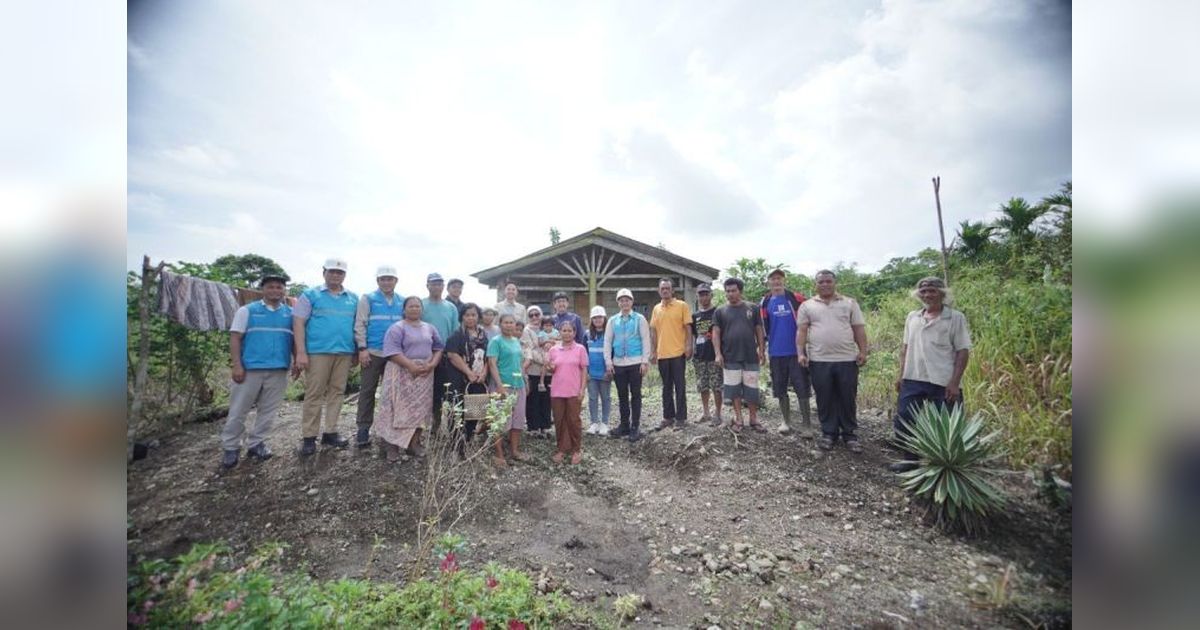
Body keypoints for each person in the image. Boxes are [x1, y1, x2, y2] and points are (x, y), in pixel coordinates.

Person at [890, 276, 972, 473]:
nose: (927, 295)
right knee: (905, 420)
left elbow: (962, 351)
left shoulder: (955, 318)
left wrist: (955, 383)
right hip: (913, 377)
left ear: (942, 293)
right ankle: (911, 461)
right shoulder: (913, 317)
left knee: (946, 426)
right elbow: (905, 348)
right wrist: (901, 375)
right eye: (923, 291)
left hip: (943, 380)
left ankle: (944, 468)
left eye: (932, 291)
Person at [220, 272, 293, 468]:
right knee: (238, 410)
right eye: (271, 287)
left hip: (278, 369)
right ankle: (231, 447)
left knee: (268, 411)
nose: (275, 290)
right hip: (249, 369)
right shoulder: (247, 311)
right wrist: (237, 365)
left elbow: (294, 341)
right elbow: (235, 338)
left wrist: (296, 363)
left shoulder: (290, 314)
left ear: (284, 290)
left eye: (279, 287)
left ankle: (256, 443)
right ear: (263, 289)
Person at [797, 270, 868, 452]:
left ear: (835, 283)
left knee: (847, 397)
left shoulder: (849, 303)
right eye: (821, 282)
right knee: (824, 397)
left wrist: (863, 351)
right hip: (819, 359)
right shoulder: (807, 305)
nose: (825, 285)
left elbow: (858, 329)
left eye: (828, 281)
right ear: (816, 284)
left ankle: (850, 435)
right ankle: (829, 433)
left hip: (847, 358)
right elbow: (802, 331)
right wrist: (800, 353)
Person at [293, 258, 358, 455]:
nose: (336, 275)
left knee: (337, 392)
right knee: (314, 393)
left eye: (340, 272)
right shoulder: (310, 295)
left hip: (344, 352)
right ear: (324, 273)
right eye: (332, 272)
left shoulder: (353, 298)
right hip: (317, 352)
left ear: (344, 275)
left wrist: (356, 351)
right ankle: (309, 437)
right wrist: (301, 352)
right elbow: (298, 323)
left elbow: (356, 326)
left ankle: (330, 432)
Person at [375, 296, 444, 462]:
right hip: (401, 372)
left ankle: (413, 444)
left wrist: (432, 364)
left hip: (424, 375)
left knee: (419, 410)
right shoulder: (397, 328)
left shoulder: (429, 328)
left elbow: (438, 348)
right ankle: (391, 446)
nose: (414, 309)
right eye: (411, 306)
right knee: (396, 409)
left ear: (422, 309)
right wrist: (410, 365)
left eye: (417, 306)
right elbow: (391, 351)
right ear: (404, 309)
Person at [352, 266, 404, 448]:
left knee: (394, 393)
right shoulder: (368, 299)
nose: (386, 282)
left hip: (395, 354)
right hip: (373, 352)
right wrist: (362, 348)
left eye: (390, 279)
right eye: (383, 279)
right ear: (378, 281)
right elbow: (360, 324)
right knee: (367, 391)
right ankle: (363, 428)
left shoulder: (402, 301)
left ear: (396, 281)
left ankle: (390, 430)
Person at [760, 268, 813, 436]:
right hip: (776, 352)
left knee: (802, 386)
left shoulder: (796, 299)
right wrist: (762, 349)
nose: (776, 281)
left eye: (779, 278)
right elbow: (762, 327)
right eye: (773, 279)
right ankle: (786, 421)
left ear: (784, 280)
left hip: (797, 351)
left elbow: (811, 317)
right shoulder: (765, 302)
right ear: (768, 282)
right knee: (780, 387)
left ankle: (807, 424)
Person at [712, 278, 766, 433]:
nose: (730, 294)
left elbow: (759, 329)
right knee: (734, 390)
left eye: (733, 290)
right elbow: (716, 333)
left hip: (750, 355)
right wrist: (718, 354)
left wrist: (762, 350)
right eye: (728, 291)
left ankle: (753, 419)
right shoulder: (720, 311)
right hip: (730, 356)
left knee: (752, 388)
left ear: (740, 291)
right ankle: (739, 419)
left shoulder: (753, 308)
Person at [605, 288, 652, 441]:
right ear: (618, 303)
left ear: (632, 302)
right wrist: (608, 362)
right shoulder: (613, 321)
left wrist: (645, 361)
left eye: (627, 300)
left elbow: (645, 340)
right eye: (621, 300)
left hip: (636, 362)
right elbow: (608, 342)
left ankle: (635, 426)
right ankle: (624, 425)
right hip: (618, 363)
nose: (624, 303)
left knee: (636, 394)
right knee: (622, 395)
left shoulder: (639, 319)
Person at [445, 303, 491, 453]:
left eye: (473, 315)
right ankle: (456, 445)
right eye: (467, 315)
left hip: (479, 379)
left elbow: (488, 356)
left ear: (478, 316)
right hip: (460, 379)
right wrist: (469, 373)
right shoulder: (457, 335)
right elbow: (452, 355)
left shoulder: (483, 335)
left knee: (475, 411)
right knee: (458, 411)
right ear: (462, 317)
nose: (470, 318)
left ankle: (469, 440)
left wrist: (484, 372)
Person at [649, 278, 693, 431]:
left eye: (668, 288)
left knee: (680, 386)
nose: (665, 291)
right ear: (659, 291)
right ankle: (668, 417)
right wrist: (653, 351)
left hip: (678, 353)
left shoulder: (682, 306)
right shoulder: (656, 309)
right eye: (662, 288)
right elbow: (653, 331)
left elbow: (688, 328)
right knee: (666, 387)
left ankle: (681, 418)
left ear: (672, 290)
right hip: (662, 354)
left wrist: (689, 346)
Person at [487, 314, 530, 467]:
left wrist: (524, 381)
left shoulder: (516, 341)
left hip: (518, 385)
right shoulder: (495, 341)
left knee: (518, 419)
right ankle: (498, 454)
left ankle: (514, 451)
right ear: (500, 324)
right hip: (502, 385)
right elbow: (492, 364)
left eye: (511, 322)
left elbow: (518, 363)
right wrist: (499, 385)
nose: (509, 325)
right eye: (506, 322)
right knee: (499, 420)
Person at [421, 272, 460, 435]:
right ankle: (432, 425)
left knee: (448, 392)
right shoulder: (421, 305)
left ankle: (451, 427)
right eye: (433, 284)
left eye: (439, 284)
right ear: (427, 286)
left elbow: (455, 332)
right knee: (429, 392)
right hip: (425, 355)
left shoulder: (451, 307)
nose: (437, 287)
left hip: (445, 356)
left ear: (443, 287)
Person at [548, 320, 589, 464]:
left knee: (574, 420)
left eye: (570, 331)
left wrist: (582, 389)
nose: (567, 333)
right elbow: (551, 369)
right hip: (557, 391)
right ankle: (561, 449)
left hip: (574, 391)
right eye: (564, 330)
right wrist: (550, 368)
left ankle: (576, 449)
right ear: (560, 332)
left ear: (574, 333)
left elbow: (584, 370)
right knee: (559, 421)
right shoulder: (553, 350)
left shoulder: (580, 349)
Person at [691, 283, 723, 428]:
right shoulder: (695, 316)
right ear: (697, 297)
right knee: (703, 386)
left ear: (711, 295)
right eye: (701, 295)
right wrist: (692, 351)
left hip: (714, 355)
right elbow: (693, 336)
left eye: (706, 294)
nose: (703, 297)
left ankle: (717, 413)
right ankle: (706, 413)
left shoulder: (718, 312)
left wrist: (720, 354)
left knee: (716, 386)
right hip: (700, 356)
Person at [521, 306, 553, 438]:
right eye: (531, 315)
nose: (534, 317)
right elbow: (528, 349)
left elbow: (554, 344)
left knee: (546, 399)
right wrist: (545, 360)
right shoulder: (526, 331)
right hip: (533, 370)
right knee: (533, 400)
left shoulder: (547, 329)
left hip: (548, 371)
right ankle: (533, 427)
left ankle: (545, 426)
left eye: (537, 314)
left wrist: (550, 361)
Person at [584, 306, 612, 435]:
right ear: (591, 320)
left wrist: (609, 370)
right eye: (595, 318)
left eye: (600, 317)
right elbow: (584, 354)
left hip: (605, 372)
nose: (597, 320)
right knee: (592, 398)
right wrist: (586, 372)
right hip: (591, 374)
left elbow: (612, 353)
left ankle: (605, 423)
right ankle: (594, 422)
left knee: (605, 398)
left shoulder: (609, 333)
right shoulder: (587, 334)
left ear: (604, 318)